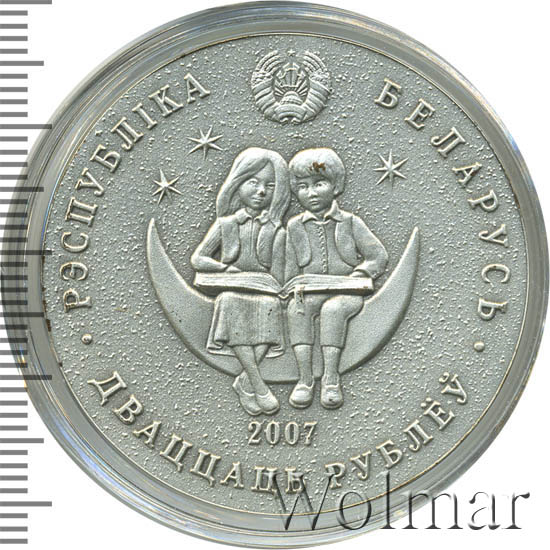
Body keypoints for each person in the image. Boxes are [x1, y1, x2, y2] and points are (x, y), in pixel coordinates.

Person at [285, 148, 388, 409]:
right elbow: (288, 267)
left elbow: (377, 256)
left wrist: (361, 273)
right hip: (310, 291)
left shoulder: (350, 222)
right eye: (303, 187)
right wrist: (291, 284)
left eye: (319, 184)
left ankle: (331, 378)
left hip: (347, 291)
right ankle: (305, 379)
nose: (311, 193)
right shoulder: (294, 226)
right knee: (297, 308)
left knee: (332, 310)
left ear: (336, 185)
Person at [191, 148, 290, 415]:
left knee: (269, 304)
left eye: (270, 186)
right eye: (253, 182)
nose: (261, 191)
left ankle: (246, 381)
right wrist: (225, 268)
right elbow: (198, 258)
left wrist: (278, 286)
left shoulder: (276, 230)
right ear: (237, 183)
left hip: (264, 292)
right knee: (229, 300)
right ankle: (258, 385)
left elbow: (279, 273)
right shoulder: (226, 224)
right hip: (232, 289)